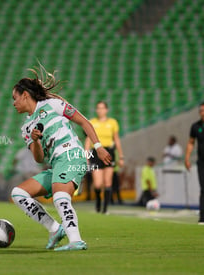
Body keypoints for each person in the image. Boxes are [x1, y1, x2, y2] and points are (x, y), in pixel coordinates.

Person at [10, 65, 111, 251]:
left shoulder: (53, 104)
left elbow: (84, 121)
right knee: (18, 194)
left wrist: (98, 147)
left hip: (71, 154)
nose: (13, 103)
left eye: (14, 98)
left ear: (25, 95)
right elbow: (39, 159)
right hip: (56, 164)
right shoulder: (25, 128)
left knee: (60, 197)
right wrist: (36, 141)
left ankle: (76, 241)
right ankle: (55, 228)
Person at [84, 101, 124, 214]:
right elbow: (88, 140)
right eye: (98, 108)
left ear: (106, 110)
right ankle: (98, 201)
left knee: (108, 182)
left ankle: (105, 209)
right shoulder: (92, 122)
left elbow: (116, 139)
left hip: (109, 152)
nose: (100, 110)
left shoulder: (113, 122)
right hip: (96, 153)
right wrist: (86, 156)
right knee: (97, 183)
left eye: (102, 108)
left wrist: (121, 156)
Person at [185, 102, 204, 225]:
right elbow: (191, 142)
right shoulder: (195, 126)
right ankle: (203, 217)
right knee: (203, 188)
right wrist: (187, 158)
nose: (202, 113)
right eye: (201, 111)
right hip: (201, 161)